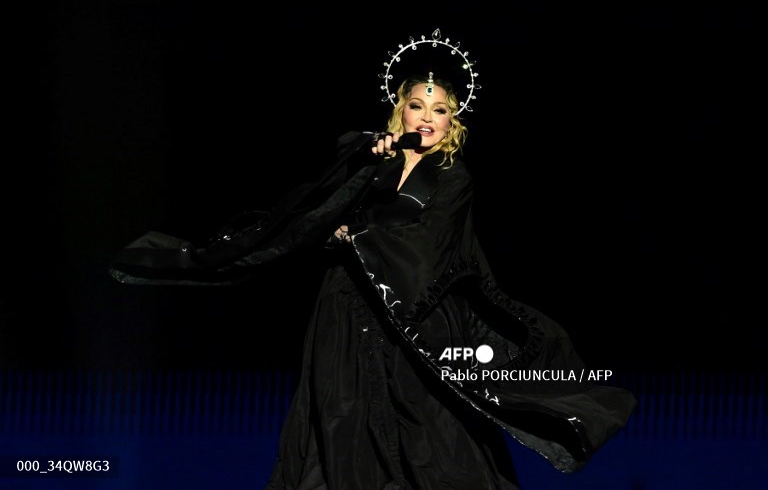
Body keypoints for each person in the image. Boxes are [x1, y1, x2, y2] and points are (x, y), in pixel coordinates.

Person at [109, 53, 636, 490]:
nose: (426, 117)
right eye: (416, 106)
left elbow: (428, 247)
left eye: (440, 110)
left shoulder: (452, 177)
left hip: (416, 320)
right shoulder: (370, 158)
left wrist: (357, 236)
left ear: (453, 121)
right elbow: (313, 220)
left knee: (431, 432)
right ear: (399, 111)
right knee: (341, 419)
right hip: (346, 309)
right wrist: (362, 167)